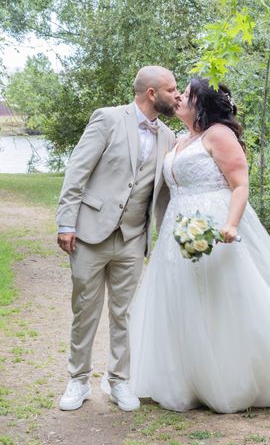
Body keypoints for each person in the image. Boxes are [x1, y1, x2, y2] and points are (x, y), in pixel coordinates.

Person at [129, 78, 270, 413]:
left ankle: (234, 378)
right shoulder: (180, 140)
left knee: (223, 299)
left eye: (185, 95)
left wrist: (229, 224)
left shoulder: (218, 134)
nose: (178, 98)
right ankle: (189, 378)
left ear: (200, 104)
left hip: (216, 225)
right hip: (178, 229)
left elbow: (240, 184)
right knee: (183, 300)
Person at [56, 66, 179, 412]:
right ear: (152, 93)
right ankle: (78, 380)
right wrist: (66, 223)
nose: (177, 95)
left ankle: (119, 381)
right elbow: (77, 172)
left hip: (132, 237)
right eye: (171, 89)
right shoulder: (108, 119)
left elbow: (167, 193)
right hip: (90, 232)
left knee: (124, 313)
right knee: (85, 310)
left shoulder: (168, 136)